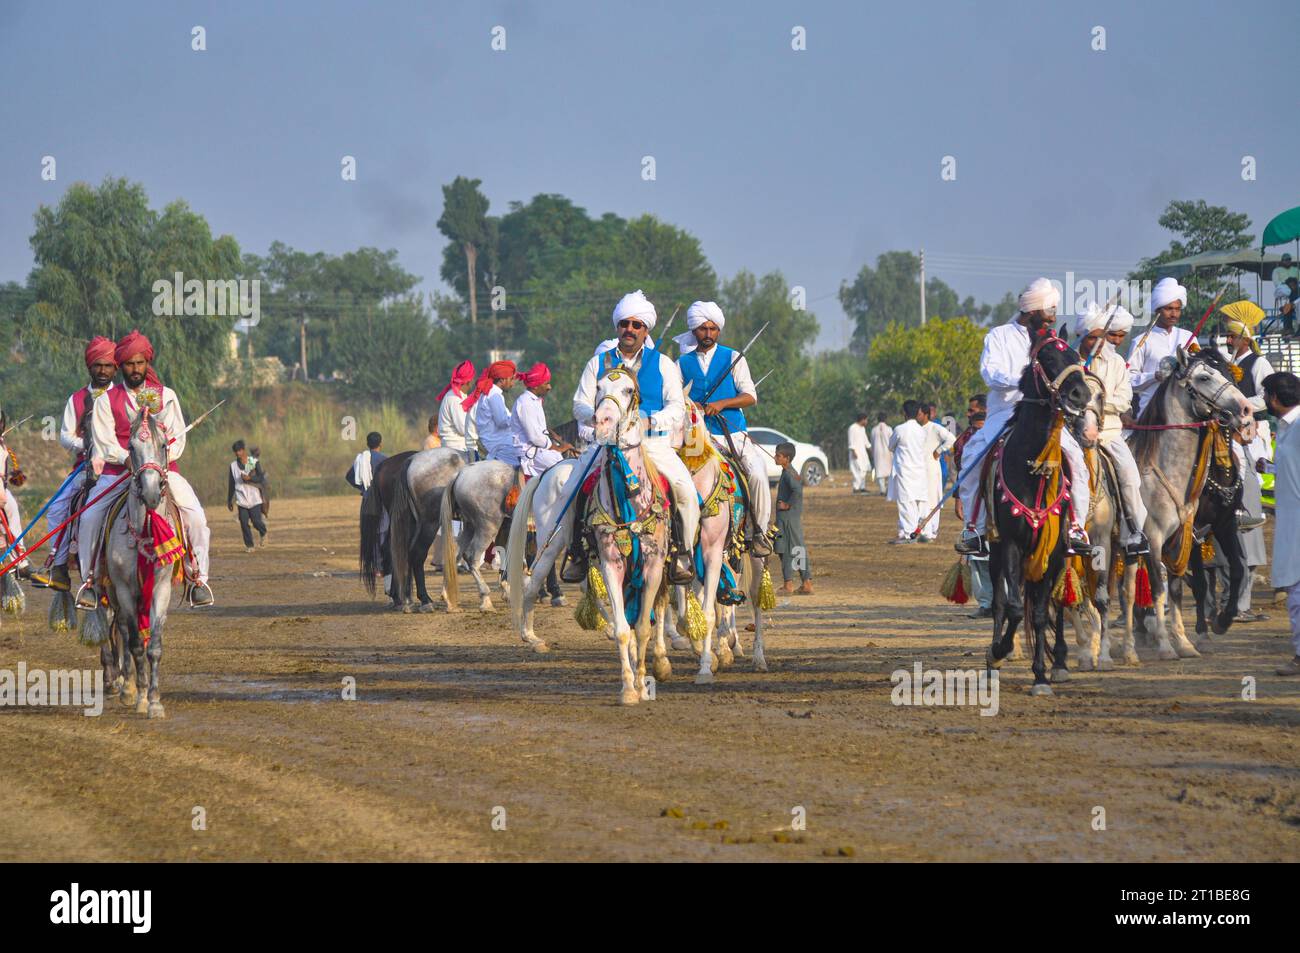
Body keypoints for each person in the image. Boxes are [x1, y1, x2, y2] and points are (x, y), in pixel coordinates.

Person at [955, 278, 1092, 556]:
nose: (1054, 315)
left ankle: (1076, 527)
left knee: (1076, 458)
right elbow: (989, 373)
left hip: (1046, 414)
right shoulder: (999, 336)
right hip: (1006, 411)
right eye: (1049, 309)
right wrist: (1025, 380)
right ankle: (975, 529)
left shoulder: (1053, 341)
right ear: (1032, 310)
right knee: (973, 455)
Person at [570, 289, 699, 584]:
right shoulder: (598, 363)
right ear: (617, 327)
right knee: (572, 491)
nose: (629, 329)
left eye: (636, 325)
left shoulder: (664, 363)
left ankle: (683, 553)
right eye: (624, 324)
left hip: (652, 444)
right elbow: (579, 403)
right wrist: (595, 418)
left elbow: (677, 407)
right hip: (605, 444)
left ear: (645, 330)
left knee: (687, 492)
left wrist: (648, 422)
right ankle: (576, 552)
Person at [79, 330, 214, 608]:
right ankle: (89, 582)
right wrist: (128, 460)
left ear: (147, 363)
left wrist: (157, 463)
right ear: (121, 366)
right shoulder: (107, 400)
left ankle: (197, 577)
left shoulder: (165, 396)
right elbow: (104, 441)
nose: (135, 369)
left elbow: (177, 437)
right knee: (90, 517)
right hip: (118, 473)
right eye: (129, 363)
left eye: (140, 363)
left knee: (196, 517)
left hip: (163, 471)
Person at [674, 300, 772, 555]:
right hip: (697, 436)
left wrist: (723, 403)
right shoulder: (681, 363)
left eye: (712, 329)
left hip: (732, 432)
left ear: (719, 330)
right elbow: (673, 398)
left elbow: (750, 396)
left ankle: (758, 532)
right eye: (702, 329)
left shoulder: (734, 357)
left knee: (758, 474)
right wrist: (689, 404)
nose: (708, 334)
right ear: (694, 331)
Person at [30, 336, 117, 591]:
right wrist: (88, 446)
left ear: (115, 368)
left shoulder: (124, 397)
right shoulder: (77, 399)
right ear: (89, 367)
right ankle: (58, 570)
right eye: (98, 365)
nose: (103, 370)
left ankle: (184, 568)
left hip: (121, 468)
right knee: (57, 508)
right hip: (86, 467)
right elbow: (66, 436)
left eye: (108, 365)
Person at [1075, 302, 1150, 557]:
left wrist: (1096, 402)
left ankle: (1135, 534)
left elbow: (1124, 400)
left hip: (1109, 434)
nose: (1097, 342)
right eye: (1092, 337)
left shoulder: (1116, 362)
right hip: (1073, 433)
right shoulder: (1069, 361)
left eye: (1100, 337)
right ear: (1081, 336)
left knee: (1131, 477)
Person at [1222, 317, 1275, 619]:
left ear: (1245, 339)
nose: (1228, 342)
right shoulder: (1226, 365)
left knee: (1249, 513)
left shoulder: (1259, 363)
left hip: (1249, 439)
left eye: (1232, 337)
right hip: (1225, 439)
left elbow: (1267, 399)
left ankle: (1242, 602)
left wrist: (1237, 401)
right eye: (1227, 337)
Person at [510, 362, 571, 605]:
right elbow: (535, 438)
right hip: (529, 452)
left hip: (538, 447)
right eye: (546, 383)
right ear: (536, 385)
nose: (550, 386)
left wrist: (556, 439)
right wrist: (557, 446)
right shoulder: (525, 402)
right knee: (559, 463)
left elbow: (542, 431)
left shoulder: (535, 401)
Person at [1262, 372, 1300, 675]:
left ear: (1274, 398)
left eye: (1266, 394)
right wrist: (1270, 467)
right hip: (1289, 520)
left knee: (1297, 593)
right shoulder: (1289, 427)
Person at [1130, 277, 1196, 416]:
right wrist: (1154, 377)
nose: (1174, 314)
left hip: (1185, 412)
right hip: (1151, 412)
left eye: (1178, 309)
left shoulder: (1188, 338)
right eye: (1169, 309)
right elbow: (1128, 380)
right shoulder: (1141, 341)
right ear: (1157, 310)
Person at [887, 400, 932, 543]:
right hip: (919, 470)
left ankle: (908, 534)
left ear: (904, 413)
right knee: (918, 502)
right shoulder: (921, 430)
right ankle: (920, 532)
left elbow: (891, 446)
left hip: (905, 471)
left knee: (906, 503)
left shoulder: (900, 429)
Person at [774, 442, 811, 594]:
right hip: (785, 518)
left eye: (778, 456)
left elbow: (797, 491)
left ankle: (804, 583)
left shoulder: (790, 473)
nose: (775, 458)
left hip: (789, 518)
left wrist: (787, 505)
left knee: (795, 549)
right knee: (783, 548)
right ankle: (791, 582)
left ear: (787, 458)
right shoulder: (787, 471)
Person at [468, 361, 519, 466]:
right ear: (502, 380)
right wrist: (519, 418)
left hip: (496, 440)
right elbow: (501, 422)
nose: (512, 384)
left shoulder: (490, 392)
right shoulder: (495, 395)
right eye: (511, 379)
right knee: (526, 460)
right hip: (498, 443)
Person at [922, 402, 956, 537]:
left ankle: (932, 530)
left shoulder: (936, 426)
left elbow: (950, 440)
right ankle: (925, 529)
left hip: (935, 465)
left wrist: (940, 451)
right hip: (921, 469)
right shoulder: (918, 428)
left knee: (934, 497)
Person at [227, 439, 267, 552]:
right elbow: (231, 483)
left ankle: (263, 532)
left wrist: (250, 478)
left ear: (243, 450)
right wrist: (229, 500)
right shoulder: (233, 466)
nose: (237, 453)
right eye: (235, 451)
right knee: (244, 523)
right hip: (241, 498)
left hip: (254, 497)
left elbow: (261, 478)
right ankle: (250, 545)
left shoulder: (252, 462)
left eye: (239, 451)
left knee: (256, 521)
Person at [436, 360, 478, 461]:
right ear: (468, 381)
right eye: (472, 380)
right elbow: (463, 428)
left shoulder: (460, 396)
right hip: (457, 449)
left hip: (459, 446)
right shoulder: (455, 399)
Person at [869, 413, 893, 495]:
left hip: (877, 452)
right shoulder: (889, 429)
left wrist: (872, 452)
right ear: (886, 419)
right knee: (889, 471)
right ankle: (889, 489)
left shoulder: (874, 429)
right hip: (888, 452)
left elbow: (872, 442)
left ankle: (882, 490)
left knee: (879, 471)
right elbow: (892, 442)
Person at [847, 412, 870, 493]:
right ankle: (856, 488)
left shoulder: (862, 429)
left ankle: (862, 487)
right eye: (866, 420)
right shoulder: (852, 428)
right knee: (857, 471)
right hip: (855, 453)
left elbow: (865, 441)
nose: (867, 422)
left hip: (863, 453)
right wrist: (853, 451)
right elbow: (851, 441)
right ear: (862, 420)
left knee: (864, 469)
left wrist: (870, 448)